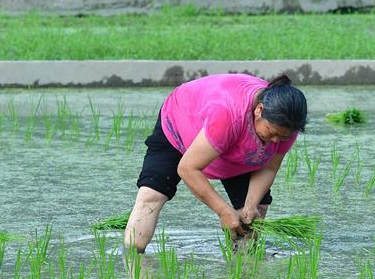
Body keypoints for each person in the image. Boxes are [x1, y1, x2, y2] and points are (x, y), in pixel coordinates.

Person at [124, 73, 307, 253]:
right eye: (272, 132)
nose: (275, 141)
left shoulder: (286, 125)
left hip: (236, 143)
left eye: (282, 136)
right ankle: (133, 263)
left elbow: (269, 166)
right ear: (259, 110)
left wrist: (251, 205)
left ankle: (243, 273)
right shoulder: (229, 114)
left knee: (253, 215)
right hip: (183, 121)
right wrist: (223, 211)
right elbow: (188, 168)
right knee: (151, 196)